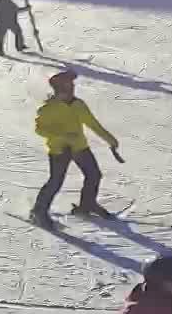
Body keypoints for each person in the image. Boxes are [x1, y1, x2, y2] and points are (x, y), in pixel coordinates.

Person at [30, 70, 120, 225]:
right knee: (55, 182)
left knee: (94, 175)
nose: (72, 87)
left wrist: (110, 140)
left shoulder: (78, 105)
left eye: (72, 85)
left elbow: (93, 123)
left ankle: (86, 205)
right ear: (60, 89)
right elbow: (40, 129)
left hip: (79, 147)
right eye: (69, 85)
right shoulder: (49, 109)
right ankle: (38, 211)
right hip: (59, 150)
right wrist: (62, 136)